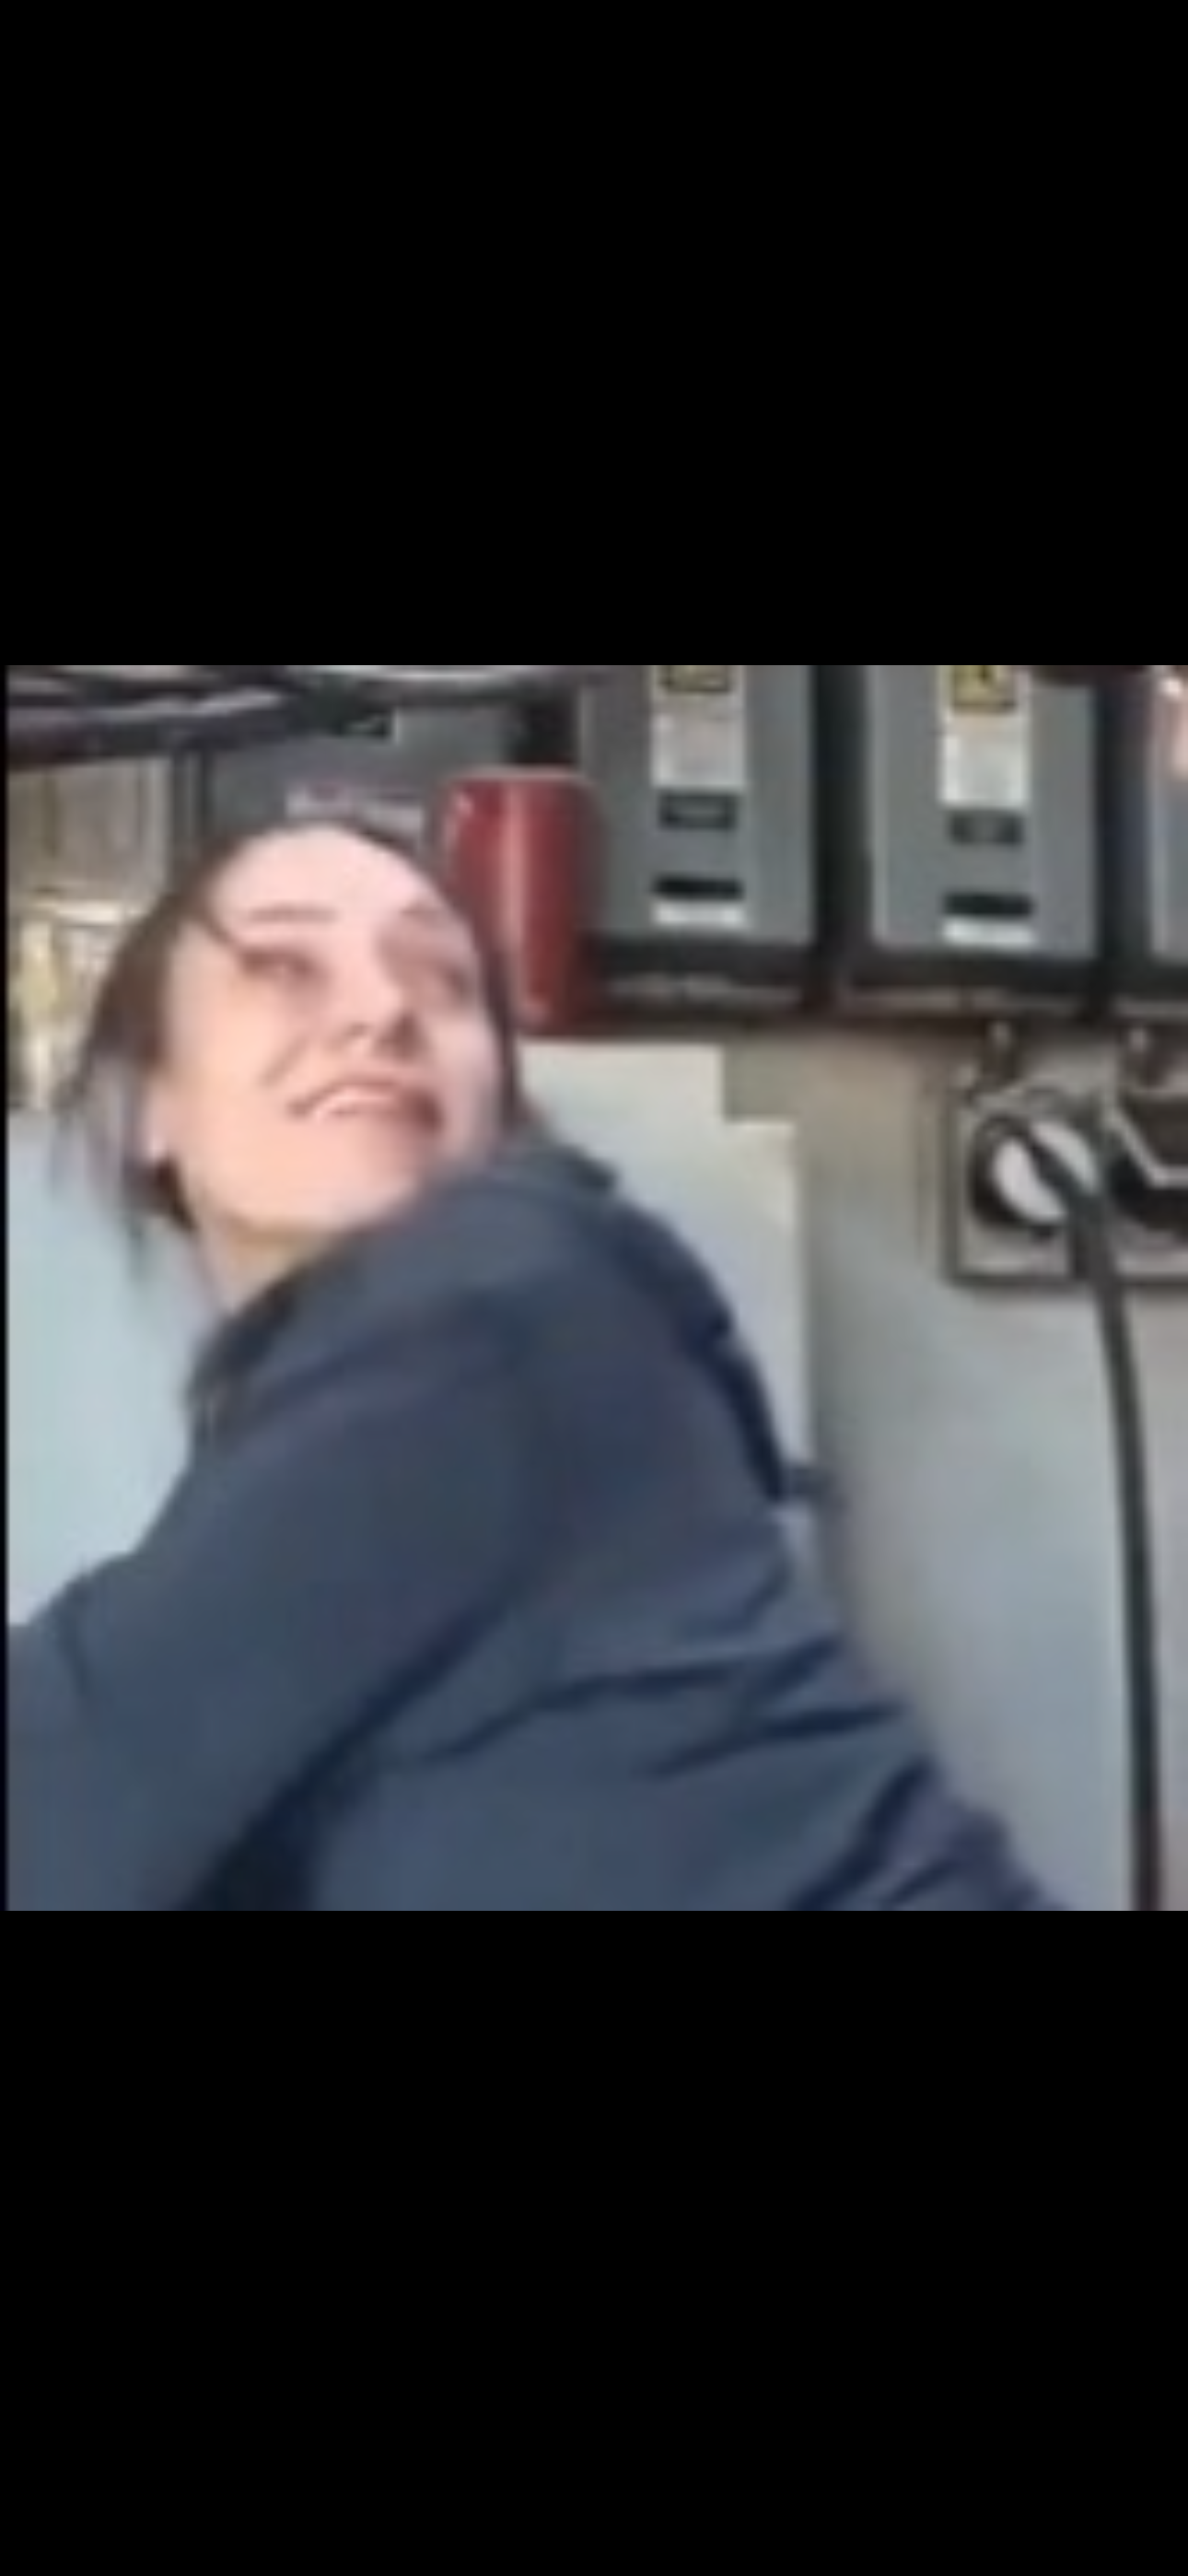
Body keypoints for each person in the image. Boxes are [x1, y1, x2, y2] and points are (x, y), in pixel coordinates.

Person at [7, 813, 1055, 1912]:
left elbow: (68, 1783)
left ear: (497, 1117)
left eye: (442, 981)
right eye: (283, 967)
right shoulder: (339, 1427)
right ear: (147, 1102)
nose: (381, 1010)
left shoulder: (496, 1306)